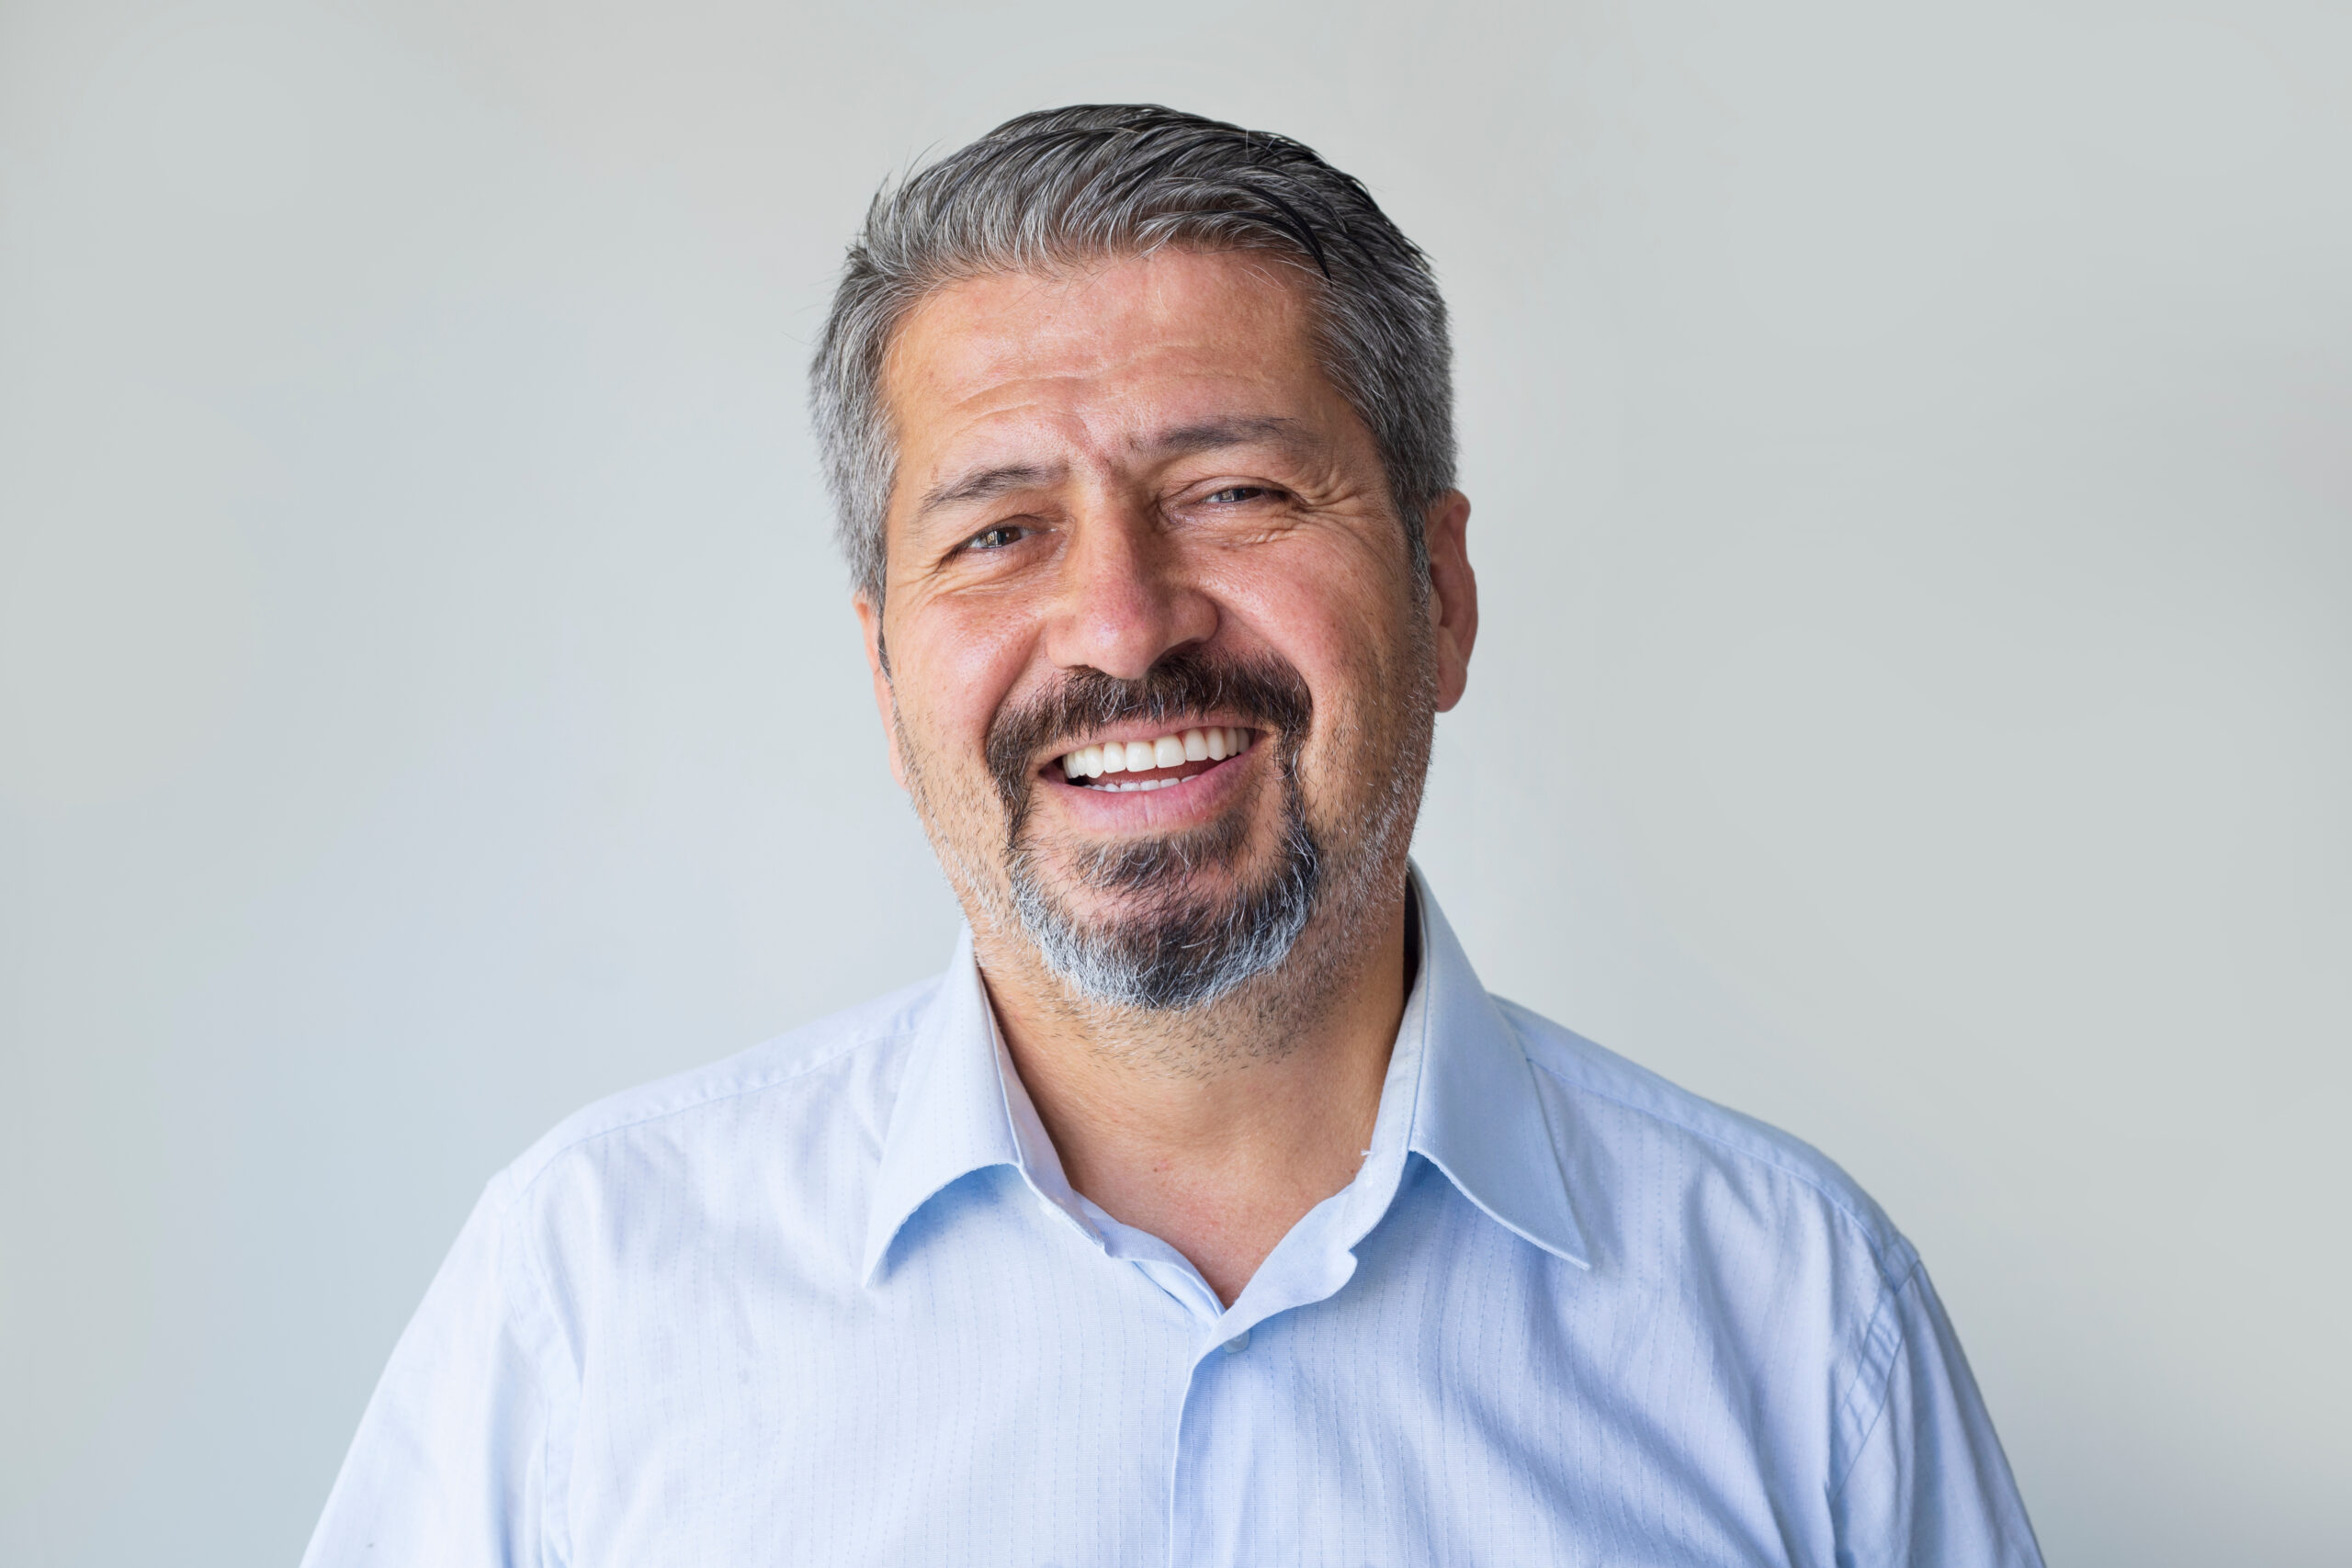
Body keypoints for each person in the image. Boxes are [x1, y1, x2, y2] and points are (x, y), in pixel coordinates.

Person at [302, 104, 2043, 1566]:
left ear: (1440, 592)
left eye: (1232, 494)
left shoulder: (1805, 1322)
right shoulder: (592, 1292)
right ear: (886, 661)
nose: (1125, 625)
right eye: (999, 531)